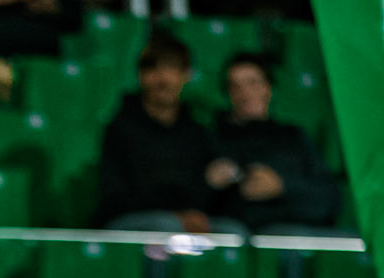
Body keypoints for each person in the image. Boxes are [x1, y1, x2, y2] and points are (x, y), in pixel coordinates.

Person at [96, 35, 243, 237]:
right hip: (131, 220)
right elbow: (117, 198)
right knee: (168, 227)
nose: (163, 78)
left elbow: (209, 188)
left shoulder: (197, 130)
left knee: (233, 232)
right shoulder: (120, 128)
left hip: (184, 219)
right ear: (141, 76)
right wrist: (178, 214)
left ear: (187, 74)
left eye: (172, 68)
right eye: (153, 69)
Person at [213, 52, 340, 235]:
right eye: (235, 87)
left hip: (295, 234)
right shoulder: (213, 139)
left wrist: (281, 187)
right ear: (227, 94)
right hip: (242, 238)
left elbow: (330, 198)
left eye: (253, 84)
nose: (245, 94)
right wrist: (211, 184)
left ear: (268, 88)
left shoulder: (293, 138)